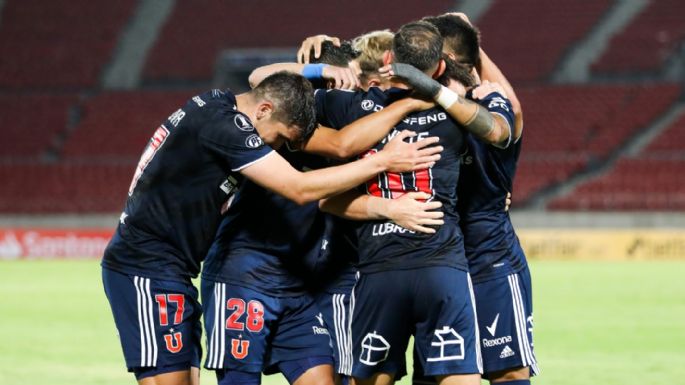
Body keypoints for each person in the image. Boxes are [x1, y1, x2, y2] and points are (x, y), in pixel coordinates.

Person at [101, 71, 441, 385]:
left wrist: (317, 69)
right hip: (145, 267)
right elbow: (299, 188)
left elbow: (270, 83)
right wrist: (382, 161)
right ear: (264, 110)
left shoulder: (221, 102)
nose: (276, 147)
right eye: (279, 137)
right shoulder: (225, 127)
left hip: (175, 269)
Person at [317, 21, 496, 385]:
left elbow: (261, 82)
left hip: (380, 270)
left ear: (388, 59)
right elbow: (497, 129)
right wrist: (442, 89)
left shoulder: (351, 107)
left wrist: (318, 67)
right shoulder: (457, 113)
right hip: (442, 267)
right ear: (441, 68)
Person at [399, 13, 538, 385]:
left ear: (441, 62)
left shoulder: (493, 107)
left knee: (508, 373)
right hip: (438, 266)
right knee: (434, 376)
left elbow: (510, 109)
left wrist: (475, 49)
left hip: (490, 261)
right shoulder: (417, 110)